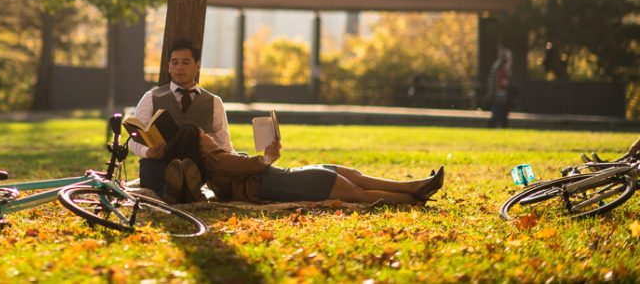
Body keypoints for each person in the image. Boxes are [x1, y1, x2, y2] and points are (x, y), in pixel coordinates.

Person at [163, 124, 445, 206]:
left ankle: (414, 186)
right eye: (204, 136)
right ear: (197, 146)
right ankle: (412, 199)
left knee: (352, 175)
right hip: (283, 182)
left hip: (285, 176)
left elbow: (251, 165)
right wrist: (268, 156)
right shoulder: (217, 161)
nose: (210, 137)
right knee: (354, 191)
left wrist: (269, 157)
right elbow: (251, 165)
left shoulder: (216, 161)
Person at [128, 38, 234, 202]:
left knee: (191, 132)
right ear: (168, 66)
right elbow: (133, 140)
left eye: (185, 62)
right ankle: (180, 191)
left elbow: (224, 145)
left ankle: (173, 191)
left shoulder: (214, 102)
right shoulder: (151, 97)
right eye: (175, 62)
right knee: (149, 164)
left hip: (195, 167)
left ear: (197, 66)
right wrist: (148, 152)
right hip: (159, 164)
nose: (179, 68)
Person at [486, 49, 514, 128]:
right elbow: (498, 82)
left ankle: (497, 126)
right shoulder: (500, 69)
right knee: (498, 113)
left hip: (502, 95)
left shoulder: (504, 68)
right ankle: (493, 126)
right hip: (499, 95)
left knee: (501, 113)